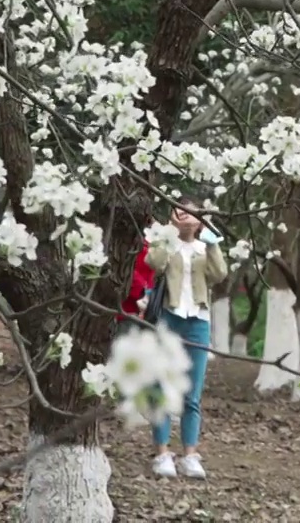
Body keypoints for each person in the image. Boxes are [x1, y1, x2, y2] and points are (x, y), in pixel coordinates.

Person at [145, 198, 228, 479]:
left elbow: (219, 274)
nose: (185, 216)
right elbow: (153, 264)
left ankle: (190, 455)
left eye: (191, 212)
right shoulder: (167, 243)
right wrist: (167, 235)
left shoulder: (206, 245)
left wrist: (213, 241)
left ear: (199, 218)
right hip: (169, 319)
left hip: (198, 322)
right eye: (178, 211)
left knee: (192, 394)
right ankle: (162, 453)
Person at [116, 236, 157, 337]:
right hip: (128, 310)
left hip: (151, 312)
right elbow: (123, 267)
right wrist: (143, 292)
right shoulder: (133, 237)